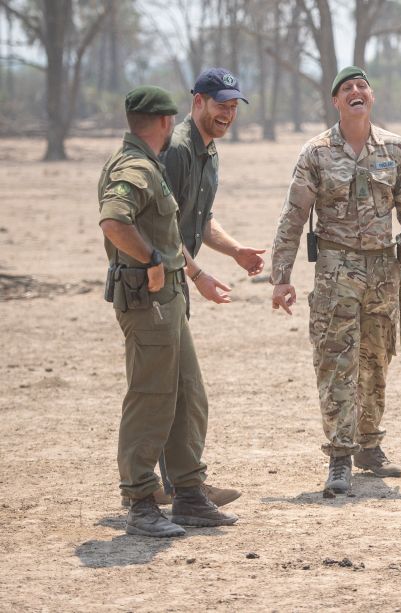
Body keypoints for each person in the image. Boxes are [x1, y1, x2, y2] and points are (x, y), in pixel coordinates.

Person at [269, 66, 401, 494]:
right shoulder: (317, 152)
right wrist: (281, 277)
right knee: (337, 361)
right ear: (336, 102)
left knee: (375, 361)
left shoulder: (395, 149)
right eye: (347, 89)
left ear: (371, 97)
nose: (356, 91)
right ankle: (340, 455)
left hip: (382, 273)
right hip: (337, 272)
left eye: (362, 86)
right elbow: (294, 216)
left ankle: (369, 445)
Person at [98, 86, 238, 537]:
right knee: (152, 398)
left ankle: (189, 495)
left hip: (170, 300)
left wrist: (192, 274)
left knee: (187, 394)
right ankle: (140, 500)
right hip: (148, 303)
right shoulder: (135, 169)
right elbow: (114, 220)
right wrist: (151, 259)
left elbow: (166, 229)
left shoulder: (150, 165)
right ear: (163, 122)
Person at [123, 68, 261, 511]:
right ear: (196, 102)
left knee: (181, 389)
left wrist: (234, 250)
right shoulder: (178, 150)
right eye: (220, 104)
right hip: (159, 282)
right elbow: (161, 227)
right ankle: (165, 488)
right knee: (170, 389)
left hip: (177, 280)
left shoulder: (209, 151)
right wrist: (198, 274)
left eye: (234, 106)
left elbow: (198, 218)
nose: (228, 113)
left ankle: (183, 484)